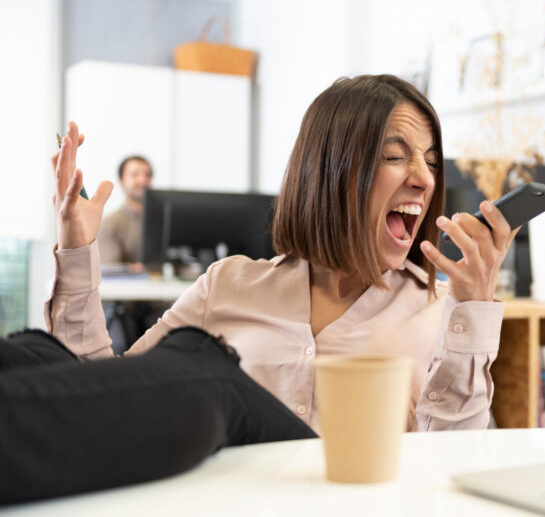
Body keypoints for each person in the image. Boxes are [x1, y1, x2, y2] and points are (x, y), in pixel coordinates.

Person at [0, 75, 517, 504]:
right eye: (395, 156)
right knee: (27, 354)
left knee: (206, 368)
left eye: (430, 160)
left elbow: (451, 472)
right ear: (330, 171)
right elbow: (101, 395)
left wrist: (472, 311)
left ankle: (209, 364)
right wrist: (76, 246)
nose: (424, 179)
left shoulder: (438, 313)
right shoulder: (230, 284)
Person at [97, 155, 153, 270]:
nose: (142, 180)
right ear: (122, 181)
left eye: (147, 175)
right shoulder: (109, 223)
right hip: (128, 287)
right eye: (135, 174)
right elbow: (109, 268)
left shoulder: (162, 222)